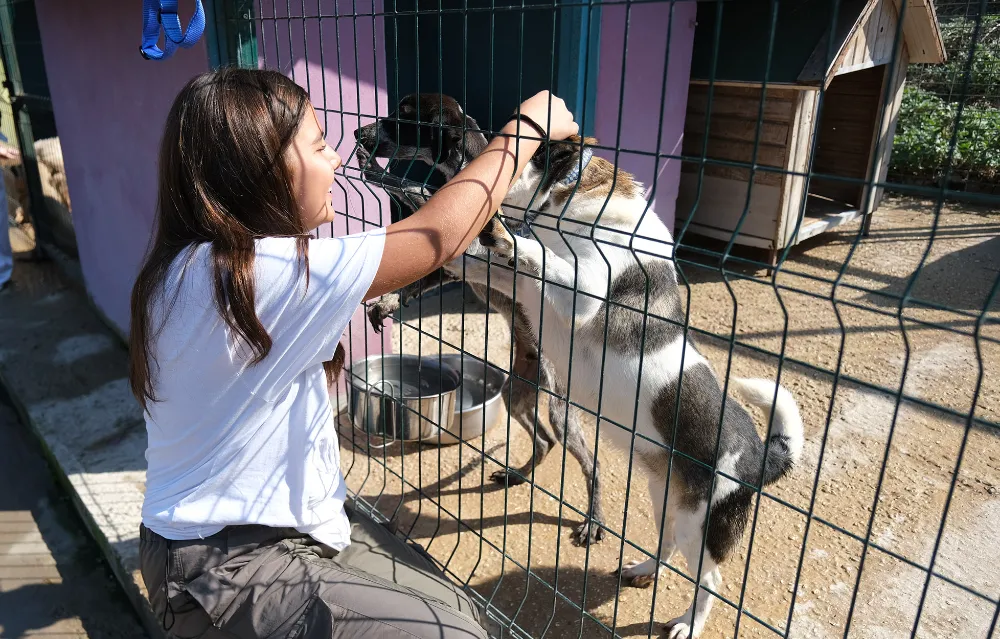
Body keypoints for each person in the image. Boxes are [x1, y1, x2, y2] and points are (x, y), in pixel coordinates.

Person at [130, 67, 577, 639]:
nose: (337, 160)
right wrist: (525, 129)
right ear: (260, 172)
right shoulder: (252, 278)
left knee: (465, 615)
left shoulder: (189, 266)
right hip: (222, 566)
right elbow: (437, 236)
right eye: (317, 146)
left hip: (244, 541)